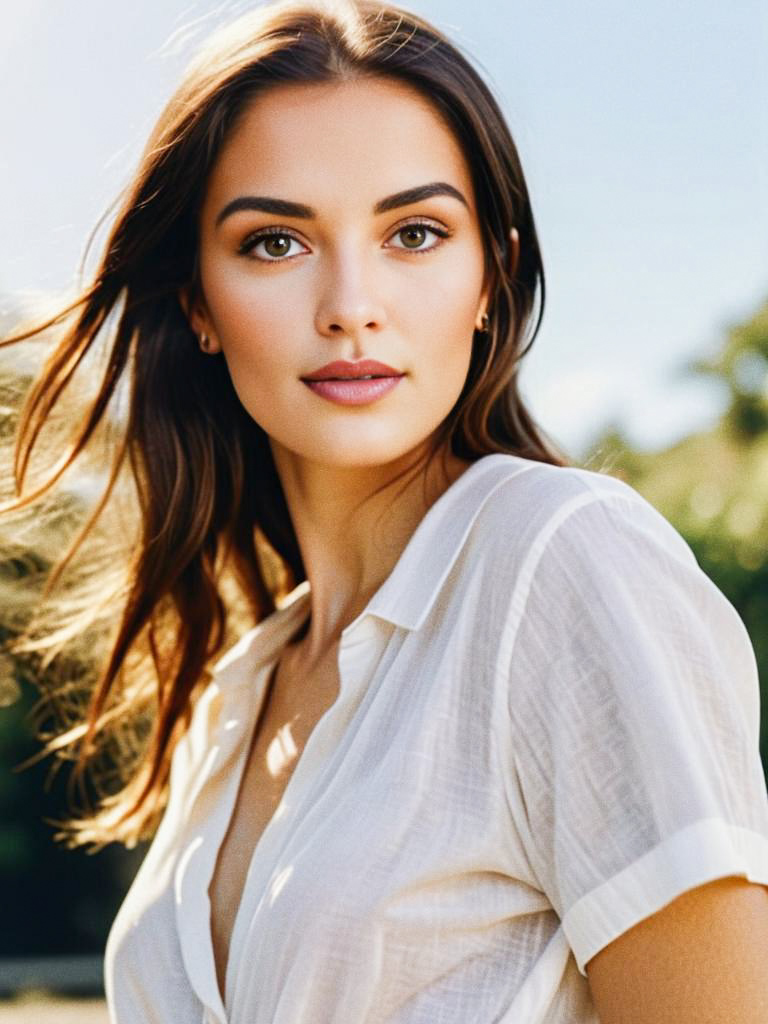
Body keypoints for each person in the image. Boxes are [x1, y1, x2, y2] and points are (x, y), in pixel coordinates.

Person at [2, 0, 768, 1021]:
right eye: (276, 242)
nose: (351, 303)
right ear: (198, 303)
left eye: (415, 232)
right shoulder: (236, 697)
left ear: (490, 274)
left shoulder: (565, 563)